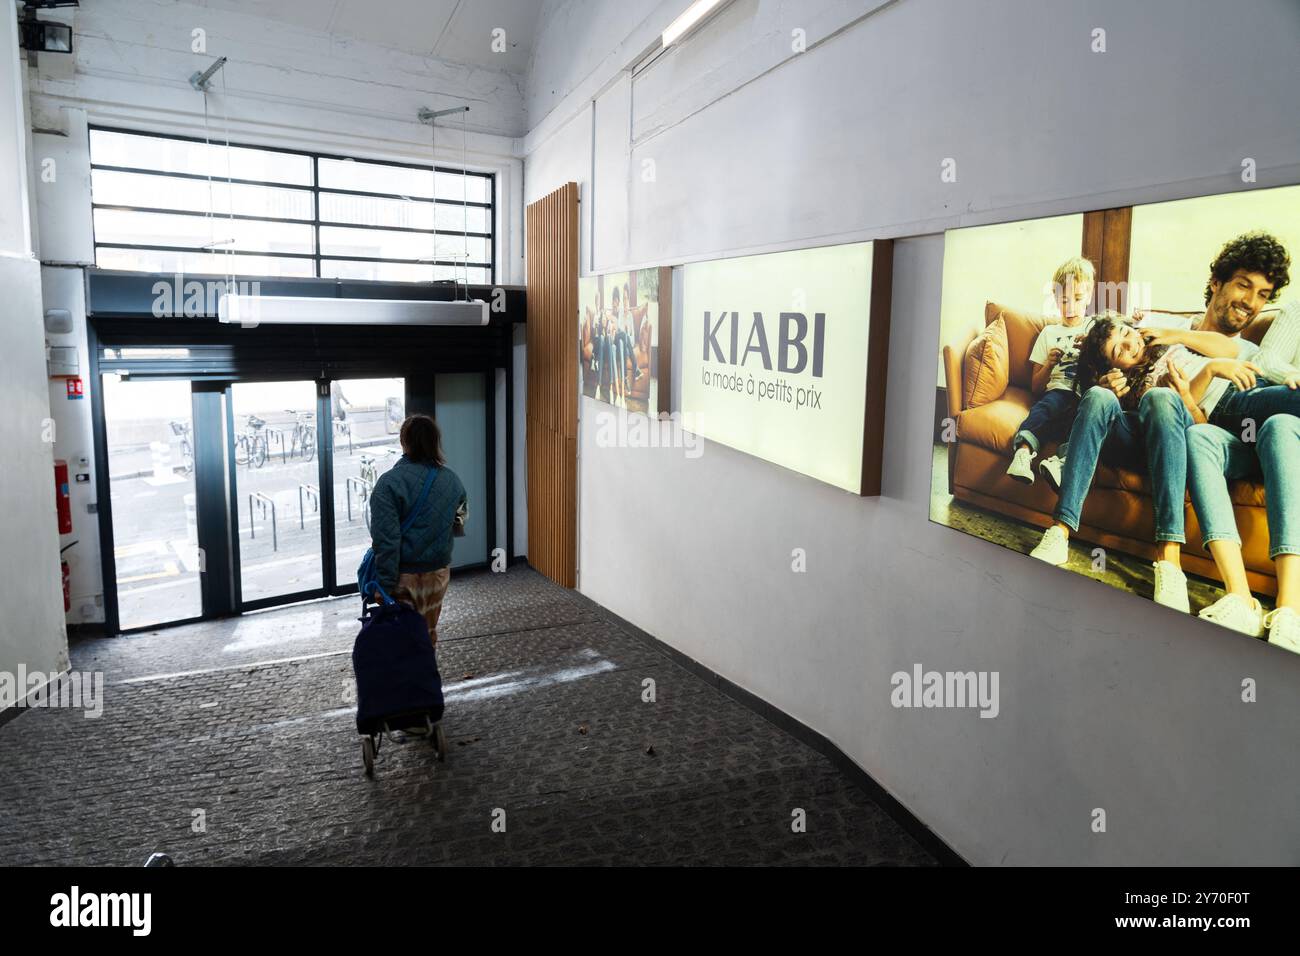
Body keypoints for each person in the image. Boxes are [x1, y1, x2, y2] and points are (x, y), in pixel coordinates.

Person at [1028, 232, 1287, 611]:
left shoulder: (1171, 343)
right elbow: (1098, 363)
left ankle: (1169, 560)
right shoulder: (1129, 359)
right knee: (1102, 397)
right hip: (1132, 433)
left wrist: (1189, 359)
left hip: (1174, 428)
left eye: (1131, 336)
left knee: (1162, 397)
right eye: (1120, 347)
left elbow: (1213, 389)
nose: (1131, 342)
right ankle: (1060, 531)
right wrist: (1104, 386)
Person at [1186, 296, 1300, 649]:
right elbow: (1267, 360)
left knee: (1281, 425)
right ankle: (1239, 598)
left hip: (1287, 437)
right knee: (1200, 435)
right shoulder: (1296, 309)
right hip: (1255, 429)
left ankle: (1290, 609)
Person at [367, 414, 468, 647]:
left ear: (404, 442)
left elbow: (386, 541)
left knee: (402, 641)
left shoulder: (389, 484)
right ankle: (426, 677)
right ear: (435, 441)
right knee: (428, 635)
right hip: (438, 575)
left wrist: (384, 584)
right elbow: (459, 522)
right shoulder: (453, 481)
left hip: (403, 578)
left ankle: (406, 681)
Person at [1006, 256, 1097, 483]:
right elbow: (1036, 386)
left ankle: (1061, 464)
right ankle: (1023, 454)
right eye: (1064, 300)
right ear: (1056, 300)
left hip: (1085, 396)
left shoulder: (1094, 328)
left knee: (1081, 419)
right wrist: (1048, 364)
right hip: (1056, 392)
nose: (1071, 307)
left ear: (1089, 297)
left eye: (1077, 298)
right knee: (1044, 408)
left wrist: (1091, 349)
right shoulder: (1048, 333)